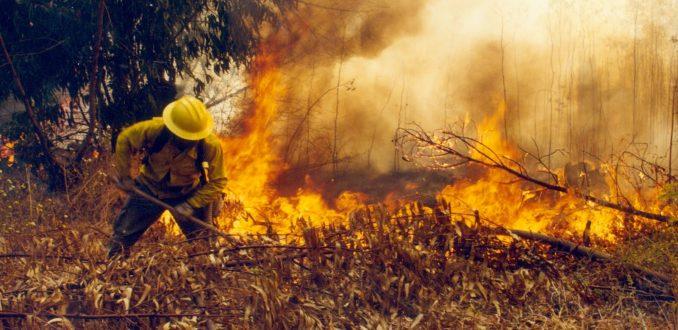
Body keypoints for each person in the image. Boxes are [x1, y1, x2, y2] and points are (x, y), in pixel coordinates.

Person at [108, 95, 227, 258]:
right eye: (184, 137)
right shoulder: (154, 129)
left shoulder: (210, 145)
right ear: (172, 130)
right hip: (149, 189)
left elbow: (218, 181)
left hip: (186, 193)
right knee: (122, 235)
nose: (189, 141)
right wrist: (125, 177)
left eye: (193, 137)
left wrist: (191, 204)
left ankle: (209, 273)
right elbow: (124, 139)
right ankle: (111, 271)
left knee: (205, 246)